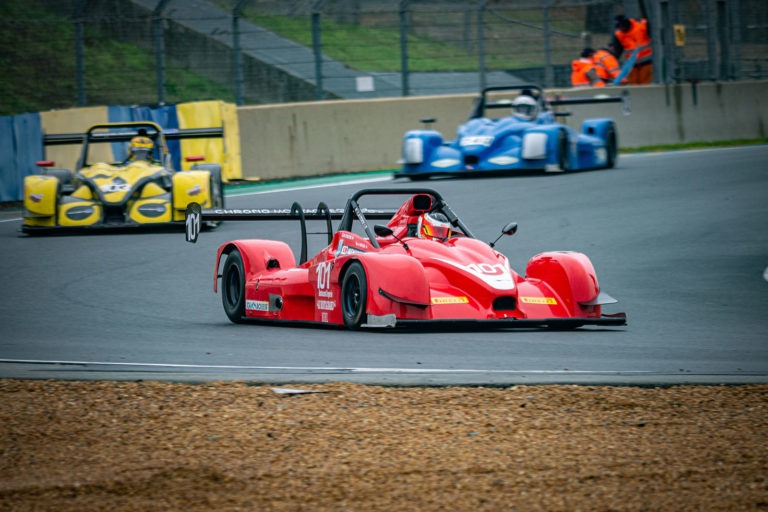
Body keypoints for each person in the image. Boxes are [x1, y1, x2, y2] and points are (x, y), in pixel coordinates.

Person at [612, 14, 653, 85]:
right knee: (633, 85)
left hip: (646, 62)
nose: (621, 29)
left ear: (625, 23)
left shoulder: (641, 26)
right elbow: (618, 50)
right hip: (632, 65)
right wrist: (614, 60)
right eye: (619, 27)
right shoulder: (619, 35)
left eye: (621, 26)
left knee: (645, 84)